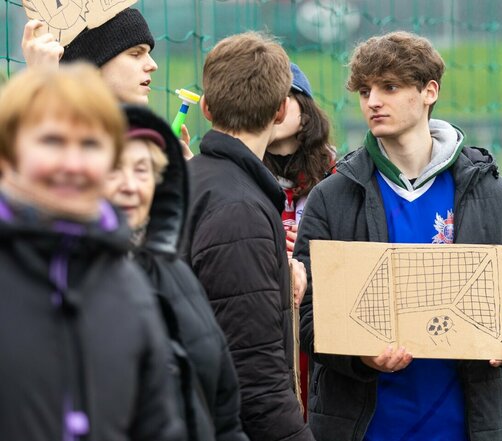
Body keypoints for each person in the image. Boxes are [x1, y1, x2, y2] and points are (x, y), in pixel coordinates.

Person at [294, 31, 502, 441]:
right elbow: (304, 315)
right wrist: (359, 354)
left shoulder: (499, 196)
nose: (372, 101)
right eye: (365, 90)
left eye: (389, 87)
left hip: (465, 426)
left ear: (429, 91)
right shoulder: (331, 196)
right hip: (362, 426)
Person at [0, 64, 184, 441]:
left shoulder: (129, 286)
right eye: (52, 141)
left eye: (90, 145)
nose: (73, 163)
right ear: (8, 156)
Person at [180, 32, 314, 441]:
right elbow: (255, 375)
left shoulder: (187, 180)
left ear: (205, 108)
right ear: (278, 112)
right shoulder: (239, 209)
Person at [105, 105, 249, 441]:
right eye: (113, 169)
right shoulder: (62, 284)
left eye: (142, 170)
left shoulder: (177, 275)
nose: (130, 185)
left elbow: (225, 417)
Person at [21, 8, 194, 158]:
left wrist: (177, 176)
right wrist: (42, 84)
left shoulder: (146, 140)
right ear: (93, 68)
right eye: (136, 54)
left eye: (148, 53)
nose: (152, 65)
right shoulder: (60, 134)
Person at [263, 62, 335, 418]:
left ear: (306, 111)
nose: (272, 108)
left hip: (321, 335)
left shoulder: (338, 177)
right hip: (267, 333)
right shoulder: (243, 177)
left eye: (284, 99)